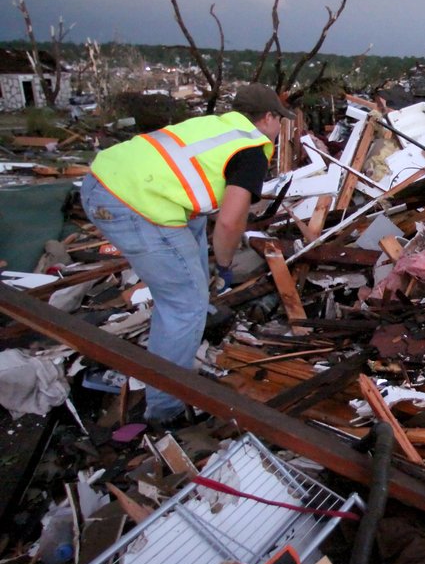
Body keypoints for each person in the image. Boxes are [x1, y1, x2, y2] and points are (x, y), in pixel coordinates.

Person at [80, 83, 293, 424]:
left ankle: (201, 312)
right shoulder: (253, 148)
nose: (280, 128)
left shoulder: (214, 125)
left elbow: (200, 195)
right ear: (268, 117)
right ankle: (165, 409)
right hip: (131, 205)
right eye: (279, 120)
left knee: (193, 228)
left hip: (100, 180)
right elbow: (227, 223)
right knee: (183, 305)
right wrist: (224, 264)